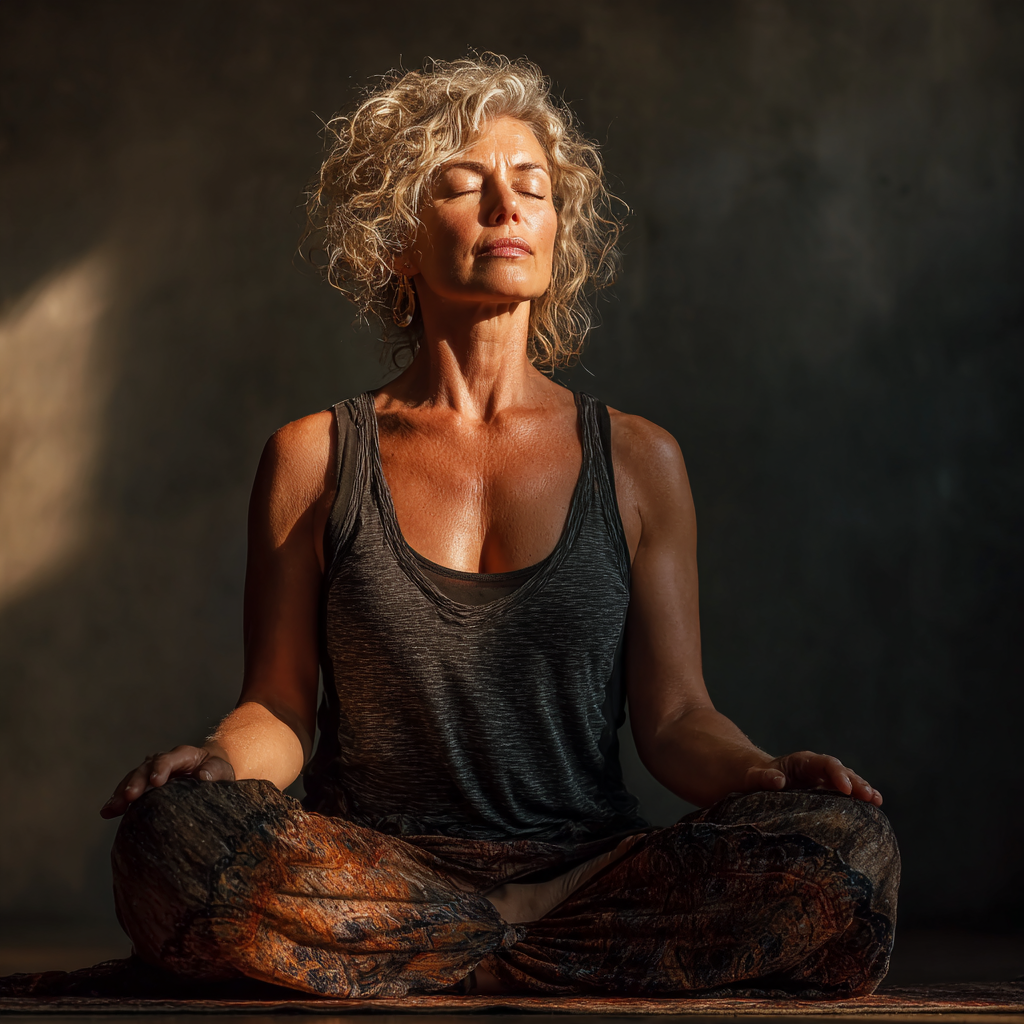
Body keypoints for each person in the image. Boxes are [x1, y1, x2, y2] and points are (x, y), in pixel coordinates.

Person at [100, 55, 899, 999]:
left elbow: (677, 717)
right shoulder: (314, 456)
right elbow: (278, 703)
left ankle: (444, 951)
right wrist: (220, 761)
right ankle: (529, 948)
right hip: (368, 871)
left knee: (847, 844)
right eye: (463, 184)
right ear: (397, 240)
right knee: (171, 838)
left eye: (533, 187)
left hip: (585, 873)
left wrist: (763, 772)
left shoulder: (639, 459)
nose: (507, 206)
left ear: (558, 230)